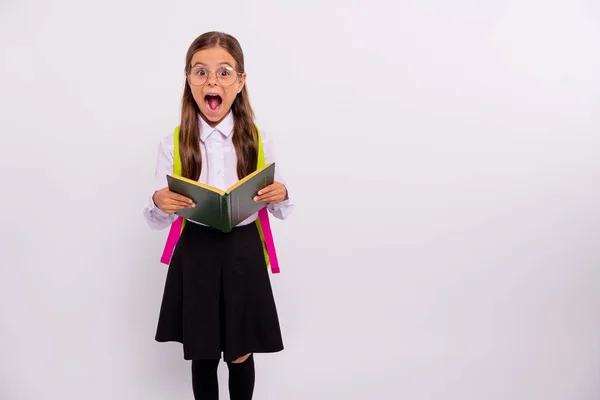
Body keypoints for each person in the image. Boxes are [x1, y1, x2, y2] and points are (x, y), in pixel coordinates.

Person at [142, 31, 294, 400]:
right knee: (204, 352)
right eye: (201, 72)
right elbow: (156, 218)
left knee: (241, 351)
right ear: (188, 80)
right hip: (196, 252)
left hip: (243, 252)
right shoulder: (173, 142)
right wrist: (159, 201)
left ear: (240, 82)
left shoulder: (258, 139)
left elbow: (280, 209)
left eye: (224, 72)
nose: (212, 81)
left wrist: (282, 194)